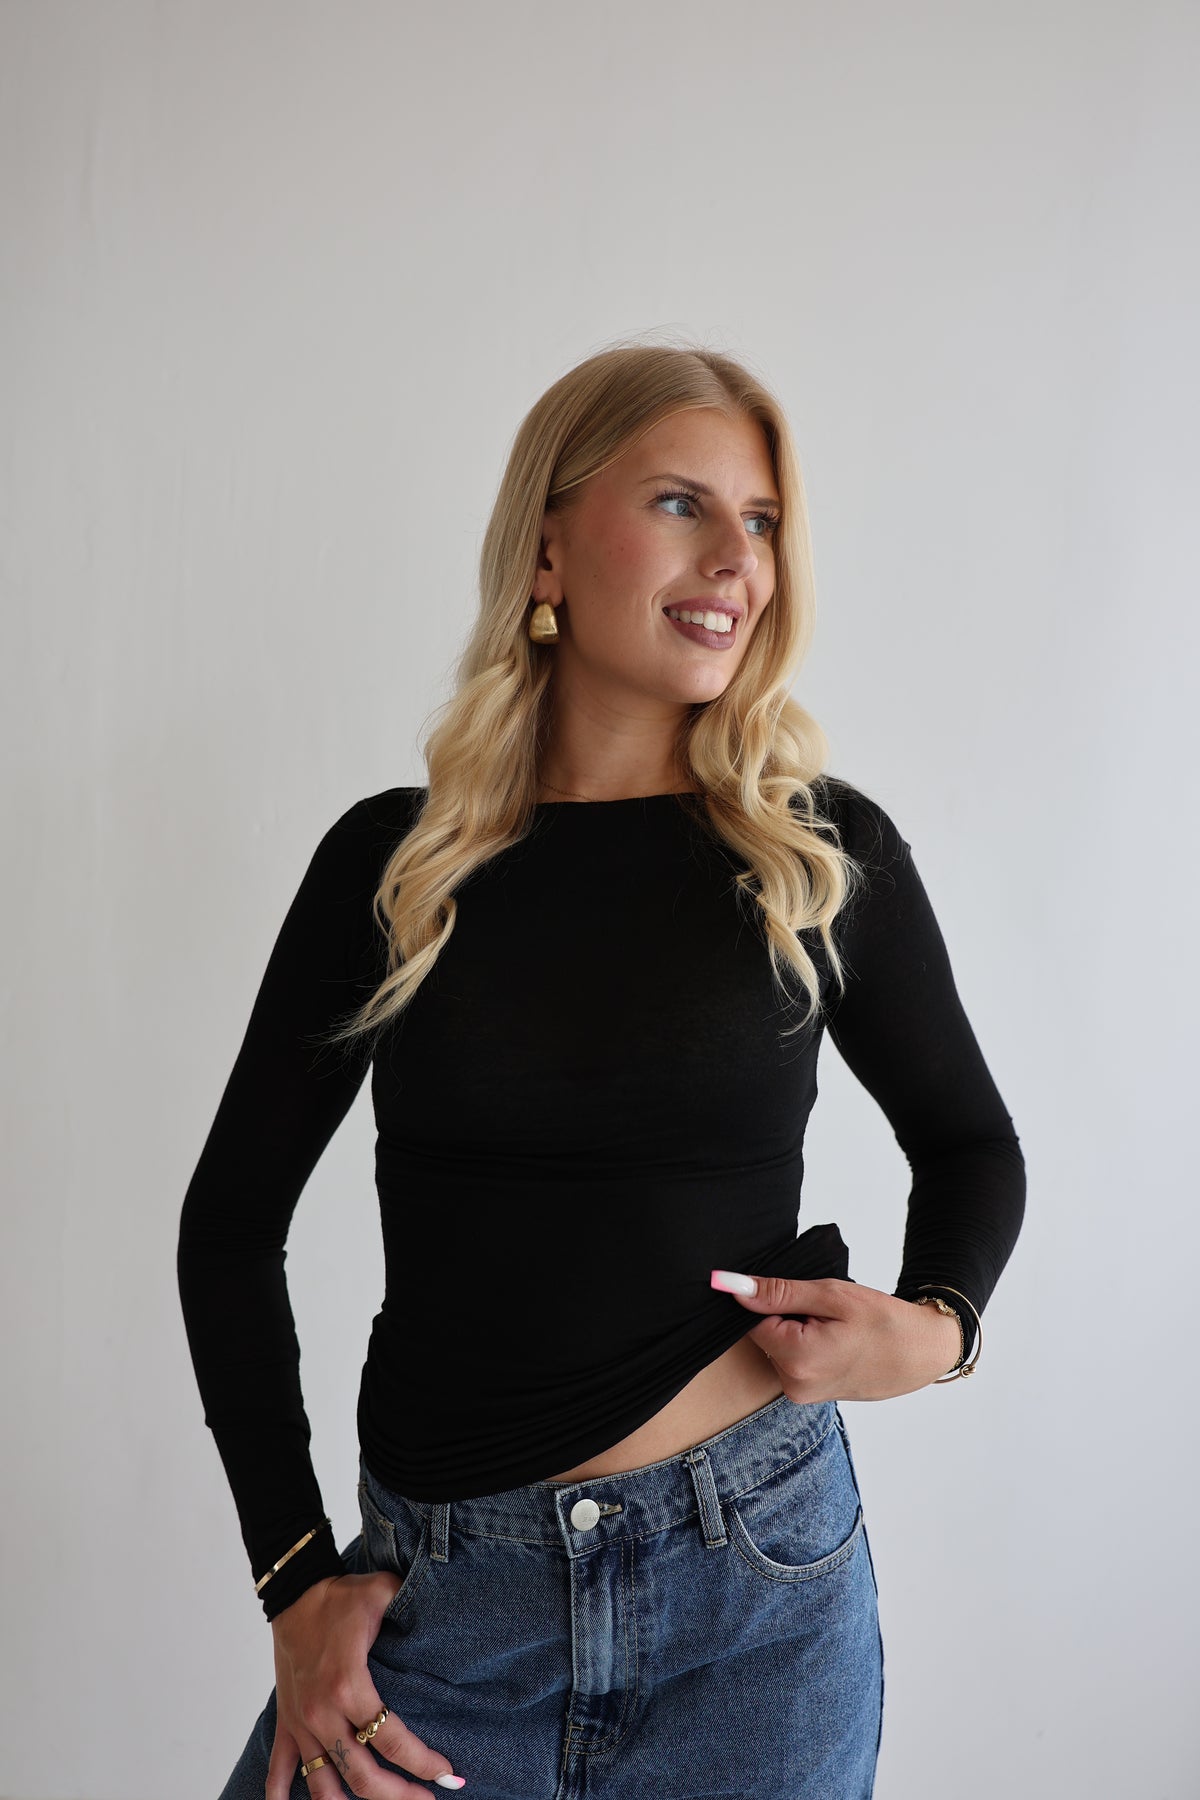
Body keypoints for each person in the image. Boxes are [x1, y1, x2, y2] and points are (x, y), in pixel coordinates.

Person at [178, 338, 1025, 1800]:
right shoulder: (395, 869)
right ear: (548, 547)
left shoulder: (815, 857)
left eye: (761, 520)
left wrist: (938, 1330)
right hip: (446, 1616)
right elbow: (230, 1229)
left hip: (755, 1604)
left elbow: (969, 1145)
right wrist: (293, 1580)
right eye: (682, 503)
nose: (737, 560)